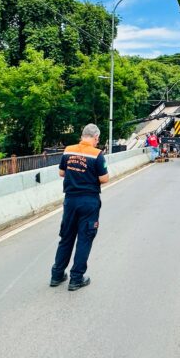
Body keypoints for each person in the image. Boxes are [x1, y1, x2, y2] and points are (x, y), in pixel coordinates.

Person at [50, 123, 108, 291]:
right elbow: (104, 179)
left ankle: (57, 274)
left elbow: (61, 173)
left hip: (70, 201)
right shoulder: (97, 154)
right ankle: (76, 278)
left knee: (66, 237)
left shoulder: (68, 150)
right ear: (96, 137)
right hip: (88, 201)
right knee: (84, 238)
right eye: (98, 139)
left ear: (82, 135)